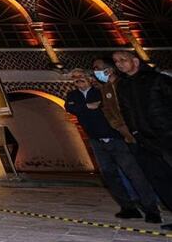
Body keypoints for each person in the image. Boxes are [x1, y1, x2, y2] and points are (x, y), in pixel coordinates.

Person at [63, 68, 161, 223]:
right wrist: (88, 107)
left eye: (81, 77)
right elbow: (70, 108)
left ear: (89, 78)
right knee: (110, 175)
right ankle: (128, 207)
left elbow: (105, 107)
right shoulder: (72, 96)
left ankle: (151, 209)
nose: (78, 80)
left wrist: (85, 108)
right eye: (75, 78)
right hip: (96, 140)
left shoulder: (101, 91)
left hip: (115, 138)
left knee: (134, 173)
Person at [112, 50, 172, 231]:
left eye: (123, 60)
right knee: (160, 178)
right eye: (116, 62)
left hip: (166, 136)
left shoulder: (157, 80)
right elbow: (126, 111)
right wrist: (135, 133)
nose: (119, 64)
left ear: (136, 61)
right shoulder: (122, 85)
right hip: (144, 139)